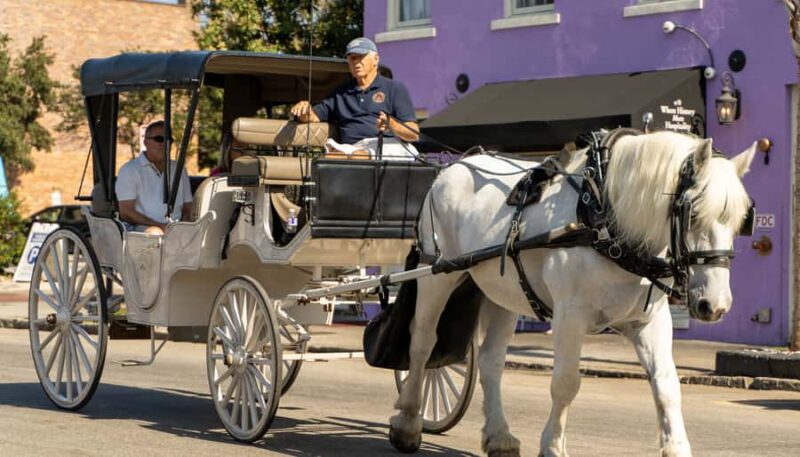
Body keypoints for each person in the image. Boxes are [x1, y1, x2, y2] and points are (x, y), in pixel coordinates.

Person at [290, 37, 420, 160]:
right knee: (325, 161)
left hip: (389, 146)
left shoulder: (394, 88)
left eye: (361, 57)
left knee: (358, 157)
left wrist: (392, 125)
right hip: (353, 148)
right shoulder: (340, 93)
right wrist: (304, 109)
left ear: (375, 59)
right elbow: (313, 117)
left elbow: (414, 134)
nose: (356, 62)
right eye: (352, 58)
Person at [116, 120, 193, 235]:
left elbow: (188, 207)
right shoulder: (130, 170)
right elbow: (126, 211)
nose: (164, 143)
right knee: (155, 233)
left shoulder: (179, 169)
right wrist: (160, 226)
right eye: (159, 139)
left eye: (169, 140)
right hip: (142, 228)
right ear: (145, 142)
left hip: (176, 228)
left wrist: (183, 226)